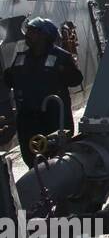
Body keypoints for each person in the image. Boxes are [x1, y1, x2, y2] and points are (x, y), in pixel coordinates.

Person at [2, 17, 83, 167]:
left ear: (44, 35)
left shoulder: (61, 57)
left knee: (57, 154)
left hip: (54, 115)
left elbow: (76, 80)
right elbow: (10, 81)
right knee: (31, 155)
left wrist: (63, 71)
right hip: (28, 118)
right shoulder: (21, 58)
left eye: (32, 32)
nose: (27, 35)